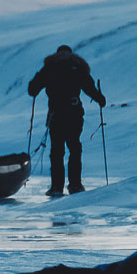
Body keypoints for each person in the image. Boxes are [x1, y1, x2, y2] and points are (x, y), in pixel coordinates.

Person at [27, 45, 105, 196]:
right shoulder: (77, 67)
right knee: (74, 148)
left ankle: (56, 187)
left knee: (57, 151)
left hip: (56, 115)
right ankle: (75, 185)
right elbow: (90, 89)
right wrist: (100, 99)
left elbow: (32, 90)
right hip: (74, 114)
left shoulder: (49, 68)